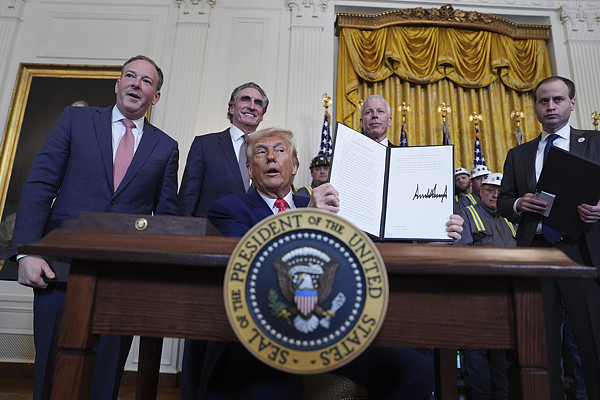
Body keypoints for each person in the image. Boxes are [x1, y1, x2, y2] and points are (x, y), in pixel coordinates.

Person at [206, 127, 463, 399]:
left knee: (416, 371)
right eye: (261, 152)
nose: (271, 156)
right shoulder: (229, 209)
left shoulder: (330, 206)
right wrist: (308, 219)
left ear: (295, 167)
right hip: (268, 337)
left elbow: (363, 258)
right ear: (249, 169)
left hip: (332, 332)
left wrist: (428, 242)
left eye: (280, 150)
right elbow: (251, 269)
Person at [9, 55, 179, 400]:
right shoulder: (76, 120)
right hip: (59, 270)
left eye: (146, 81)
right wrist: (26, 252)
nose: (136, 84)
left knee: (105, 380)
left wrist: (155, 276)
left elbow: (164, 218)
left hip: (123, 278)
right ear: (117, 84)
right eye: (130, 76)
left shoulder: (166, 147)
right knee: (52, 375)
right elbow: (41, 185)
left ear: (156, 96)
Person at [498, 75, 600, 400]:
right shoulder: (518, 154)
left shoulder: (595, 142)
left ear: (572, 103)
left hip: (582, 251)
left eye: (558, 99)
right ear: (535, 108)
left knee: (591, 340)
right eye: (544, 101)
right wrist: (519, 203)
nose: (551, 106)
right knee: (541, 344)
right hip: (536, 253)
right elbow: (503, 201)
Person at [177, 82, 268, 399]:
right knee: (200, 339)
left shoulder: (269, 151)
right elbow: (187, 203)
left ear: (262, 114)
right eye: (245, 99)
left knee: (242, 343)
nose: (252, 105)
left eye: (258, 103)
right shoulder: (205, 145)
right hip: (210, 259)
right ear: (231, 107)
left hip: (255, 263)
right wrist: (186, 255)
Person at [456, 173, 514, 400]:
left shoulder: (509, 218)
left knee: (500, 353)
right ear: (480, 191)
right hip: (477, 294)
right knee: (476, 350)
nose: (495, 195)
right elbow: (462, 254)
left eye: (499, 192)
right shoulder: (468, 213)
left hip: (506, 295)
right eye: (490, 190)